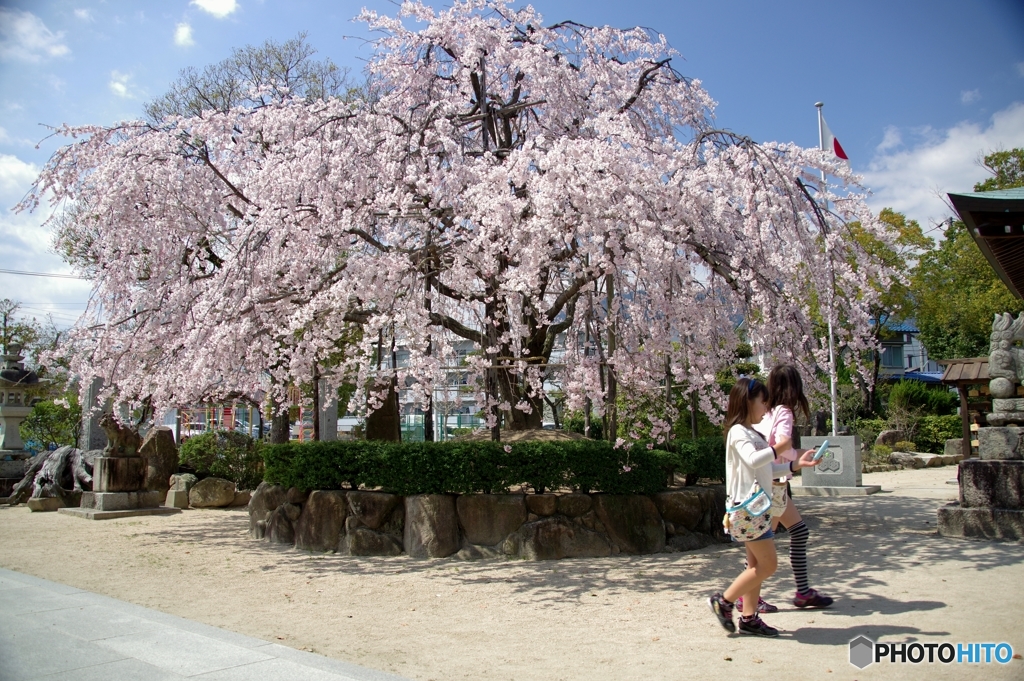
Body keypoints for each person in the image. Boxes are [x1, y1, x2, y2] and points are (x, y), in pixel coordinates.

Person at [708, 377, 820, 637]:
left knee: (756, 566)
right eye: (762, 400)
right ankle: (723, 601)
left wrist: (795, 465)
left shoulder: (753, 433)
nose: (766, 406)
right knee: (768, 565)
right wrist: (778, 447)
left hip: (756, 508)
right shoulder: (738, 432)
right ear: (748, 400)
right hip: (746, 509)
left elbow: (766, 468)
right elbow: (753, 459)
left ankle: (748, 618)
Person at [746, 364, 834, 612]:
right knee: (759, 548)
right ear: (795, 387)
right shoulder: (784, 412)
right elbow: (782, 446)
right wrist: (799, 456)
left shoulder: (765, 413)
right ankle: (744, 597)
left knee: (798, 532)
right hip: (774, 485)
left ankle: (803, 592)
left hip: (769, 483)